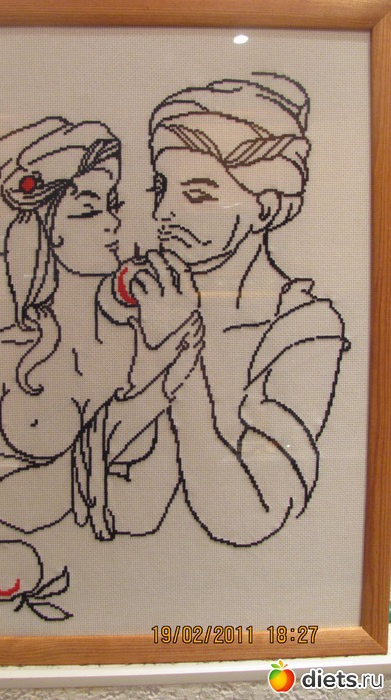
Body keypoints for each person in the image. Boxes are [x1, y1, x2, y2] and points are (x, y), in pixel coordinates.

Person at [0, 117, 203, 542]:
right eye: (88, 209)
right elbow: (5, 510)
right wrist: (151, 393)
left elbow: (150, 507)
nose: (112, 222)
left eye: (112, 204)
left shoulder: (149, 338)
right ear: (41, 235)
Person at [144, 72, 349, 546]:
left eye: (197, 193)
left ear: (267, 208)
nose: (162, 213)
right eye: (160, 188)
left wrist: (177, 351)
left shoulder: (304, 328)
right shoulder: (155, 303)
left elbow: (248, 516)